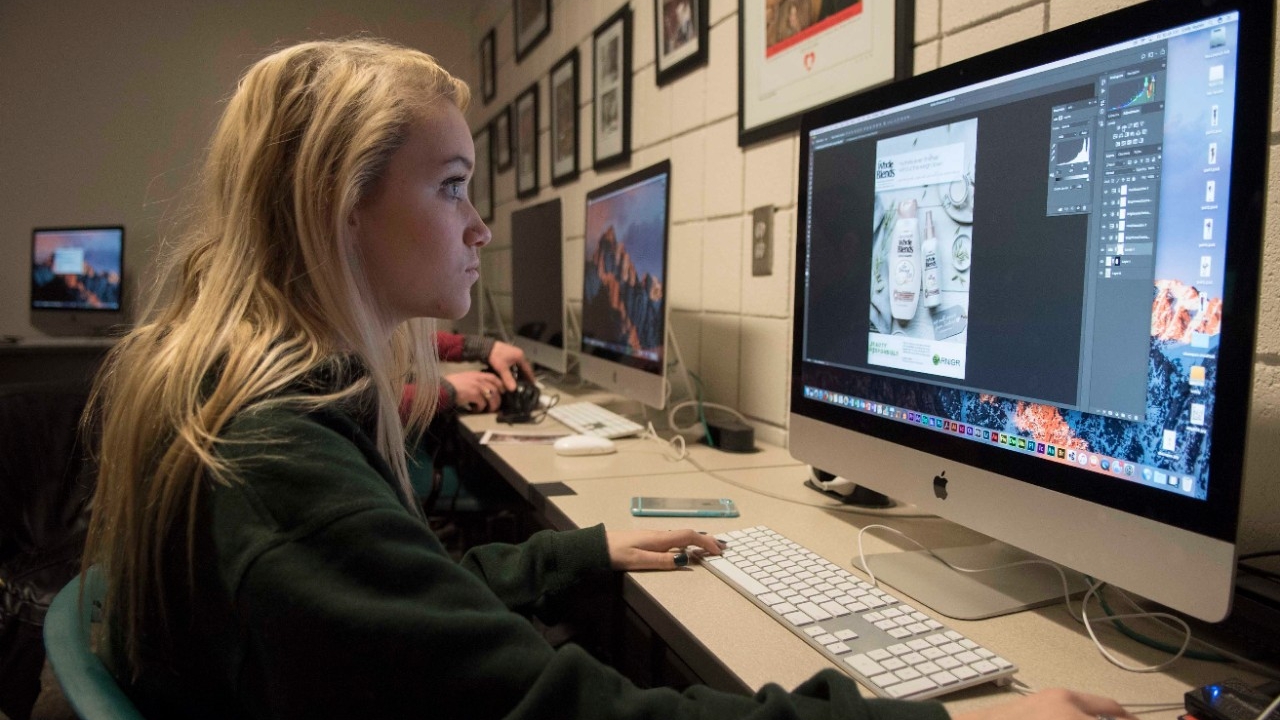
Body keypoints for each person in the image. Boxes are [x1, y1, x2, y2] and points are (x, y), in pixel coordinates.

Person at [81, 38, 1135, 720]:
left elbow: (388, 608)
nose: (479, 226)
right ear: (337, 206)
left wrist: (575, 554)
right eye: (451, 189)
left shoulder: (252, 407)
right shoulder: (278, 459)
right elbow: (550, 708)